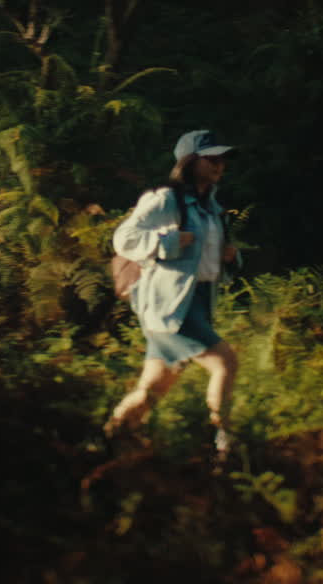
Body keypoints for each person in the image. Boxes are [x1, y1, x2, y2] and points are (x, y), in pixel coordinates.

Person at [105, 130, 241, 458]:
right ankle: (224, 446)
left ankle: (108, 440)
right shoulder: (166, 199)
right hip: (170, 307)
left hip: (197, 302)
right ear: (190, 161)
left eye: (222, 159)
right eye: (211, 158)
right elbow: (124, 239)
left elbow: (210, 264)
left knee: (152, 389)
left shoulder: (213, 208)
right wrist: (166, 242)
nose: (219, 165)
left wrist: (231, 258)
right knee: (225, 363)